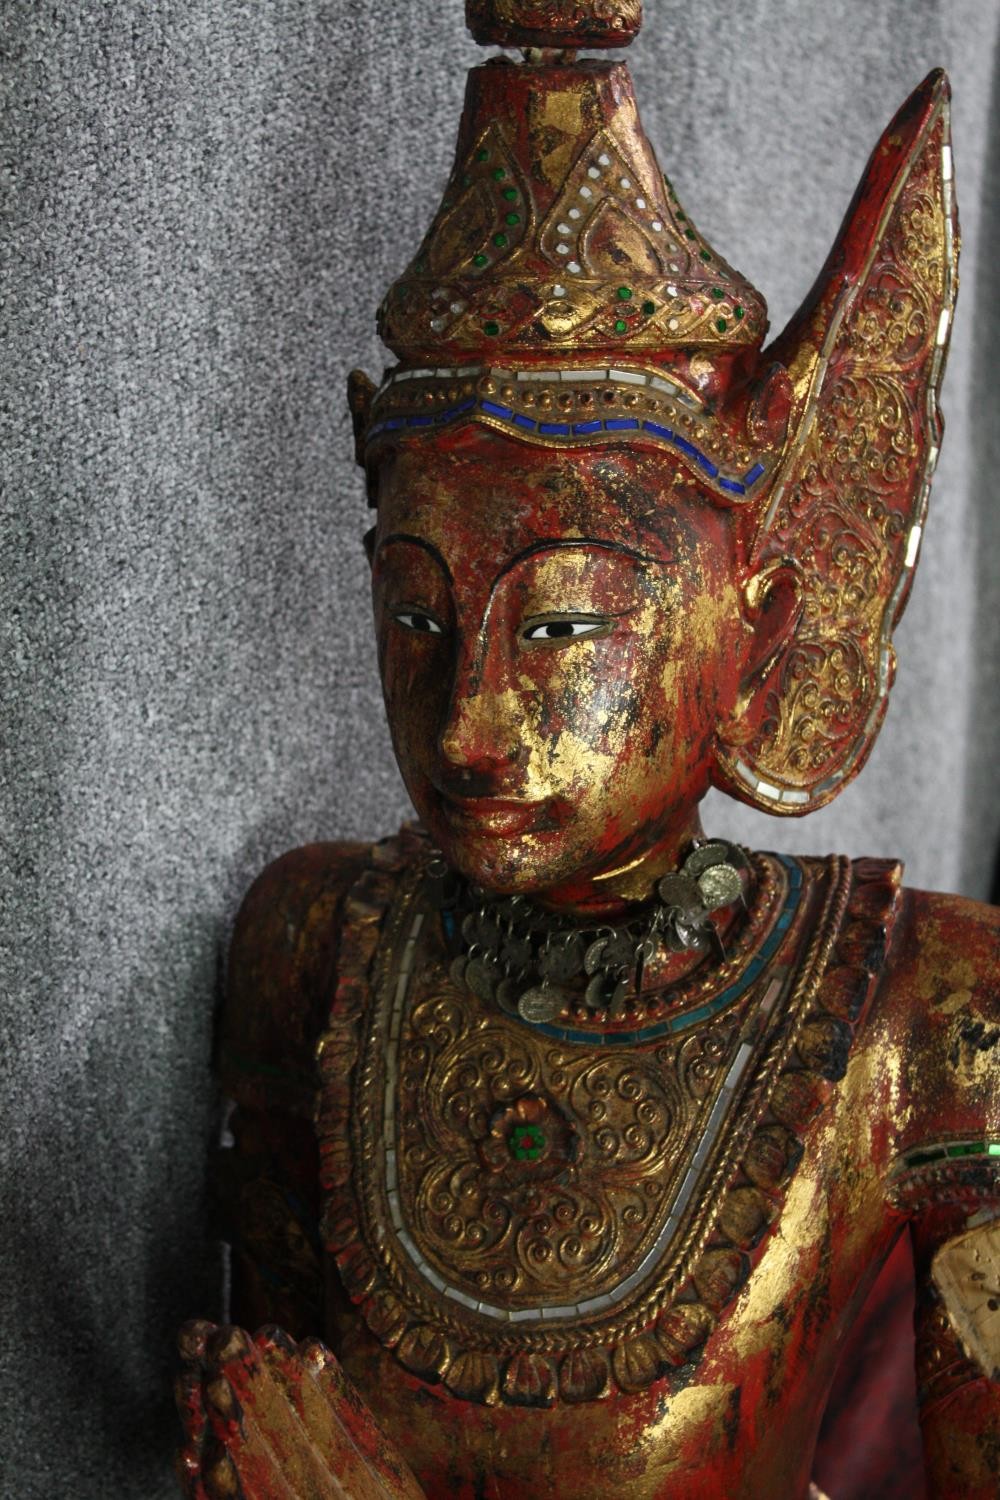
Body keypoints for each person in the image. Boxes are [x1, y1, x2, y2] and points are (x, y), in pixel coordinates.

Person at [176, 3, 1000, 1495]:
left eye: (562, 630)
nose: (473, 721)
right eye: (418, 619)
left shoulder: (933, 1021)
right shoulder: (313, 951)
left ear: (762, 626)